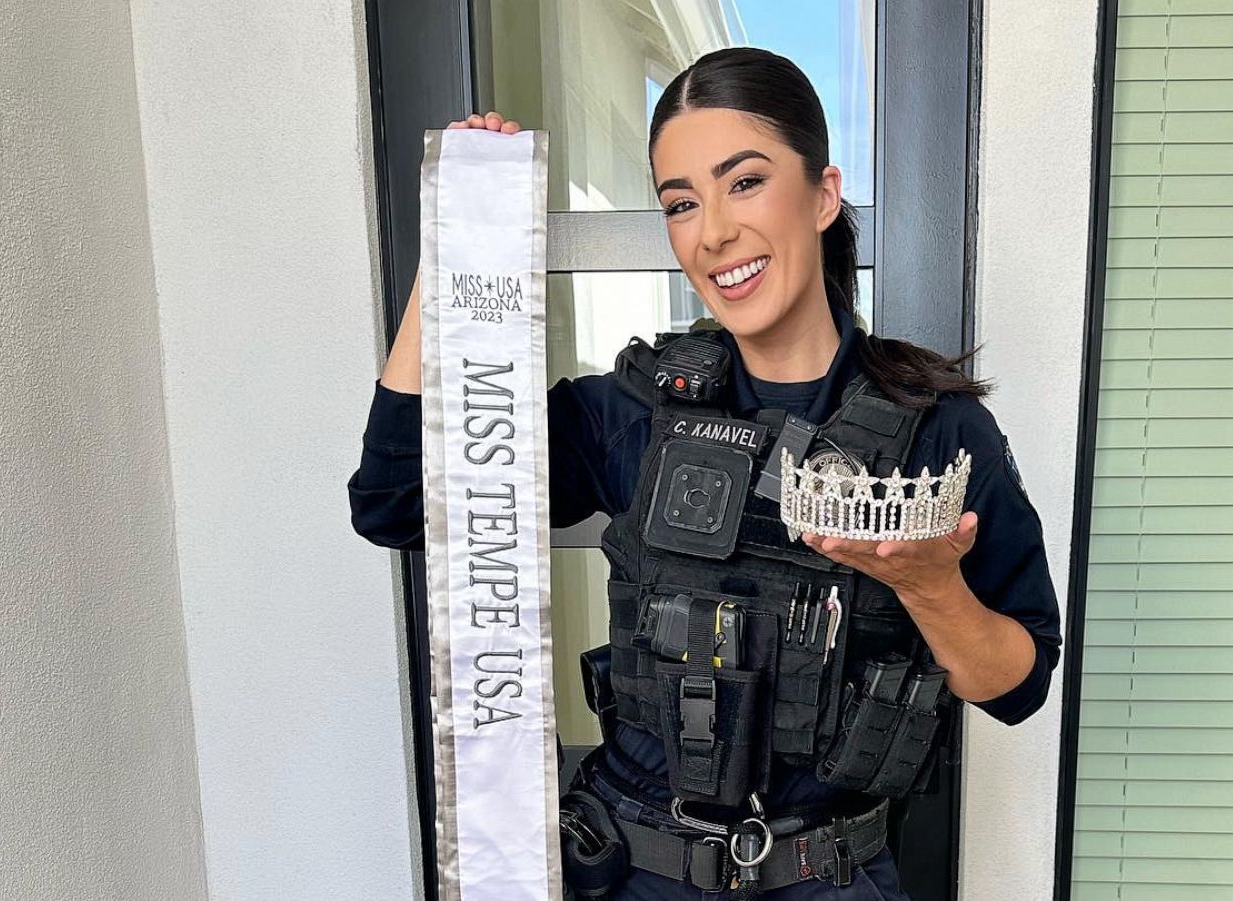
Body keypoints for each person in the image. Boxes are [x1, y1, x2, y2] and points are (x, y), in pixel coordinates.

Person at [348, 47, 1061, 901]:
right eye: (681, 203)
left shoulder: (937, 428)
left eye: (746, 182)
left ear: (823, 195)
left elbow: (1019, 685)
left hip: (827, 876)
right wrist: (456, 250)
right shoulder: (636, 409)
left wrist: (932, 586)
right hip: (630, 872)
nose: (713, 230)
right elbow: (396, 503)